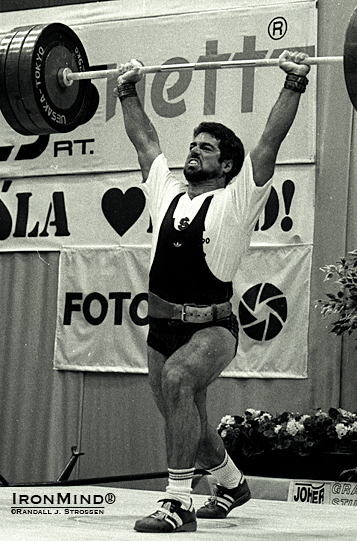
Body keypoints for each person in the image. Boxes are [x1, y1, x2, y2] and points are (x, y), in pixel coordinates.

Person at [115, 50, 310, 533]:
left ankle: (177, 502)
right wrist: (126, 89)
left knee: (179, 382)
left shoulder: (237, 200)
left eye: (206, 147)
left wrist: (293, 84)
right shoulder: (166, 193)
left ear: (226, 165)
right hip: (161, 327)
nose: (194, 150)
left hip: (213, 328)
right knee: (188, 421)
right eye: (194, 144)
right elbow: (144, 140)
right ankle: (230, 483)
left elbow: (268, 143)